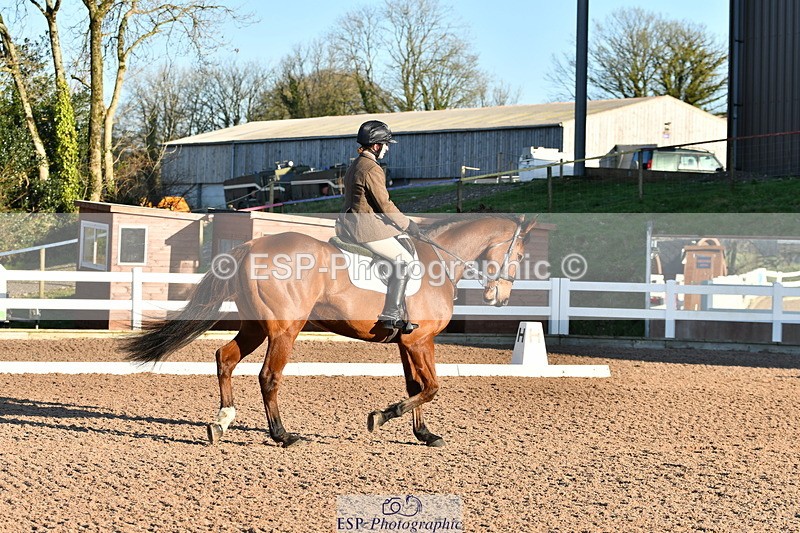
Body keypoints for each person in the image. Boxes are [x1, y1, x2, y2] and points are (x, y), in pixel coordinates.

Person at [337, 120, 421, 333]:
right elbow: (384, 204)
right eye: (386, 144)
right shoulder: (371, 168)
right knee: (404, 260)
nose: (387, 148)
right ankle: (391, 314)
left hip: (350, 222)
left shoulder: (356, 164)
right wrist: (407, 224)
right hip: (365, 228)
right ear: (376, 146)